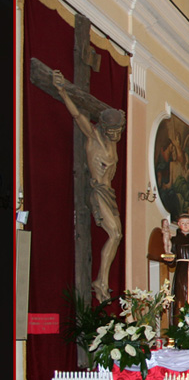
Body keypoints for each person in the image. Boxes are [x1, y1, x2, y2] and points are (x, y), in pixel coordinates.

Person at [52, 70, 125, 299]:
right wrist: (62, 90)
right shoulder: (94, 137)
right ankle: (100, 281)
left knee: (118, 235)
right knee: (114, 234)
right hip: (97, 191)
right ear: (104, 128)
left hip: (109, 192)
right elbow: (76, 115)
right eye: (113, 131)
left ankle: (101, 280)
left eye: (119, 131)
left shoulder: (113, 143)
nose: (117, 135)